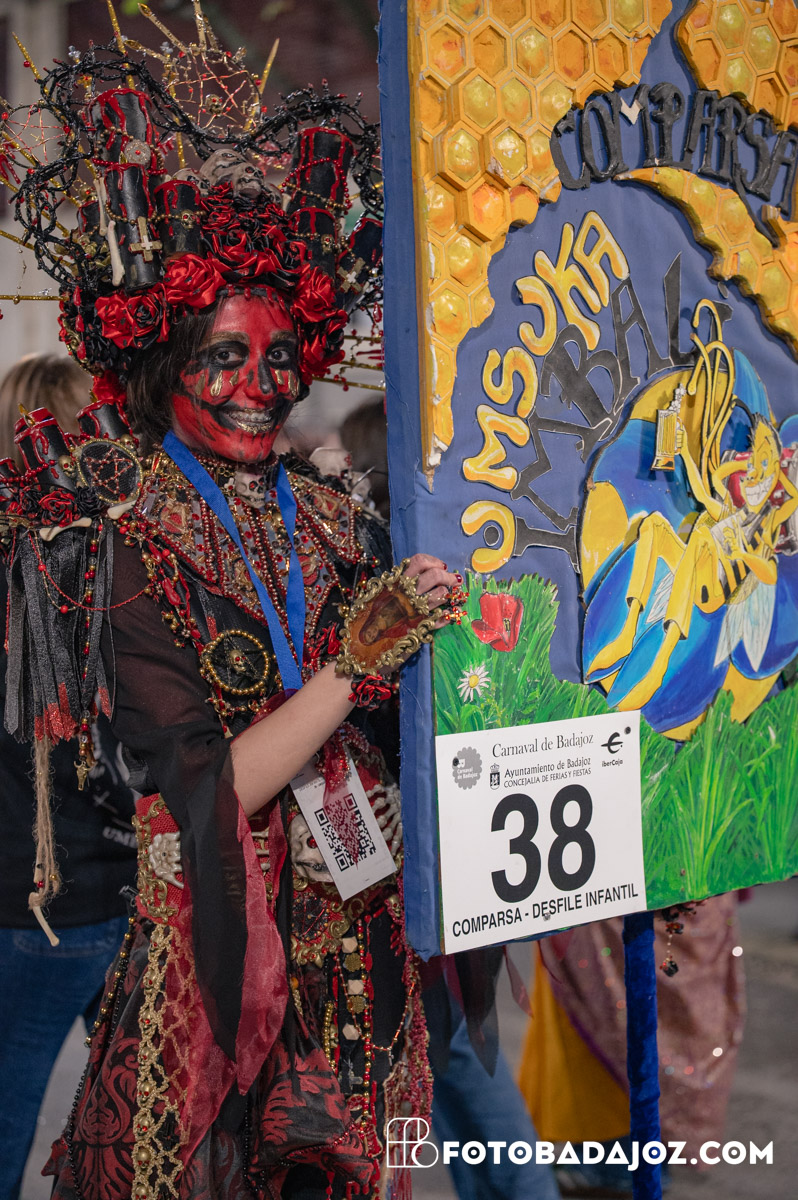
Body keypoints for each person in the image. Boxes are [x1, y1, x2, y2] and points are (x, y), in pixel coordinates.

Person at [0, 26, 459, 1200]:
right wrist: (353, 668)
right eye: (224, 356)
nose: (262, 387)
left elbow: (430, 719)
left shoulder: (333, 513)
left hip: (359, 953)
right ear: (164, 358)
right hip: (221, 965)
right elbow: (214, 786)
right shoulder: (124, 531)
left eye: (282, 355)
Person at [0, 355, 138, 1200]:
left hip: (35, 902)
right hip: (126, 886)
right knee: (138, 1141)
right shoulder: (128, 567)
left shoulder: (28, 566)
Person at [519, 898, 745, 1196]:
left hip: (623, 901)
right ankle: (626, 1155)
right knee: (623, 1019)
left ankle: (615, 1161)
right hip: (693, 894)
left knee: (610, 1015)